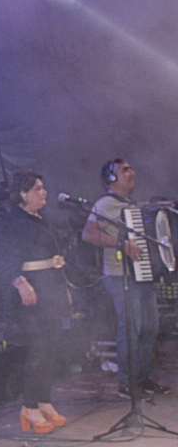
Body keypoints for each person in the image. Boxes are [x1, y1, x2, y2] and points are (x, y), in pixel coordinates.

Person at [81, 158, 170, 401]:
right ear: (112, 178)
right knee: (131, 328)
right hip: (120, 275)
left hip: (143, 275)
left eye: (131, 169)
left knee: (149, 328)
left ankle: (141, 377)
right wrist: (121, 244)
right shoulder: (105, 204)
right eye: (126, 170)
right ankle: (127, 382)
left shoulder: (132, 205)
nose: (132, 174)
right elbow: (88, 234)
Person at [0, 170, 71, 434]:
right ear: (23, 194)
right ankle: (29, 406)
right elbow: (3, 259)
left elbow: (54, 258)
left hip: (51, 293)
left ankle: (44, 401)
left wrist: (64, 288)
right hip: (29, 297)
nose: (44, 192)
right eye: (37, 188)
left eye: (42, 187)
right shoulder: (12, 223)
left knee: (50, 349)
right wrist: (20, 282)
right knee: (38, 349)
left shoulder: (42, 220)